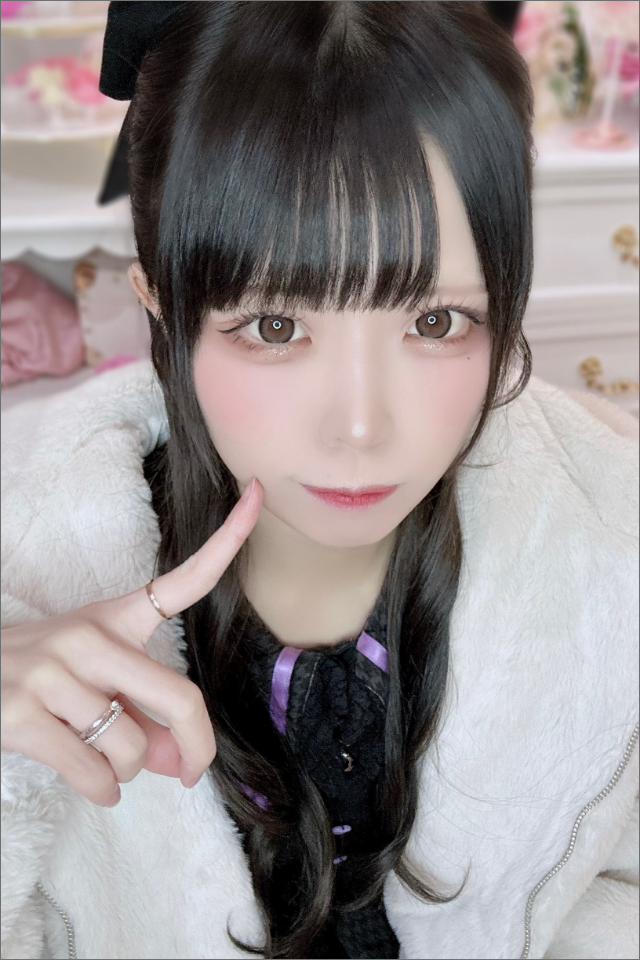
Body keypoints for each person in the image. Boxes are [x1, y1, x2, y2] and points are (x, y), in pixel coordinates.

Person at [1, 3, 638, 959]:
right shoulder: (24, 563)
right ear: (162, 307)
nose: (360, 429)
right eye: (275, 327)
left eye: (435, 323)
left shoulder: (613, 540)